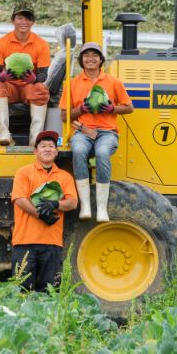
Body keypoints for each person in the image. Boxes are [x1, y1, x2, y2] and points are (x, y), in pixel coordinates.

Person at [59, 42, 134, 222]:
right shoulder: (73, 83)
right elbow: (64, 115)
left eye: (94, 55)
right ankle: (85, 205)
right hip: (83, 132)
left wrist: (111, 109)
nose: (90, 59)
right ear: (81, 60)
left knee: (102, 153)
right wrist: (81, 109)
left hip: (107, 132)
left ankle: (101, 207)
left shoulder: (113, 82)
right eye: (86, 55)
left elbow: (129, 108)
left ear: (100, 60)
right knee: (77, 150)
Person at [10, 130, 78, 292]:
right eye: (43, 146)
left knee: (48, 291)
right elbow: (19, 199)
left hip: (52, 243)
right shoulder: (24, 172)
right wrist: (40, 215)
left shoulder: (64, 177)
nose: (47, 149)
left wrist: (56, 204)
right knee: (22, 290)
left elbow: (72, 203)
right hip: (24, 242)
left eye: (51, 146)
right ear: (35, 151)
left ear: (56, 152)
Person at [0, 1, 51, 147]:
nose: (24, 22)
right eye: (20, 18)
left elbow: (43, 75)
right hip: (9, 87)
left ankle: (36, 139)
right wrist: (2, 77)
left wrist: (34, 78)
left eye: (28, 18)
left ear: (33, 22)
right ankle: (4, 135)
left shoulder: (41, 44)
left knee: (41, 90)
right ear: (13, 20)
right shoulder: (1, 43)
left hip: (28, 87)